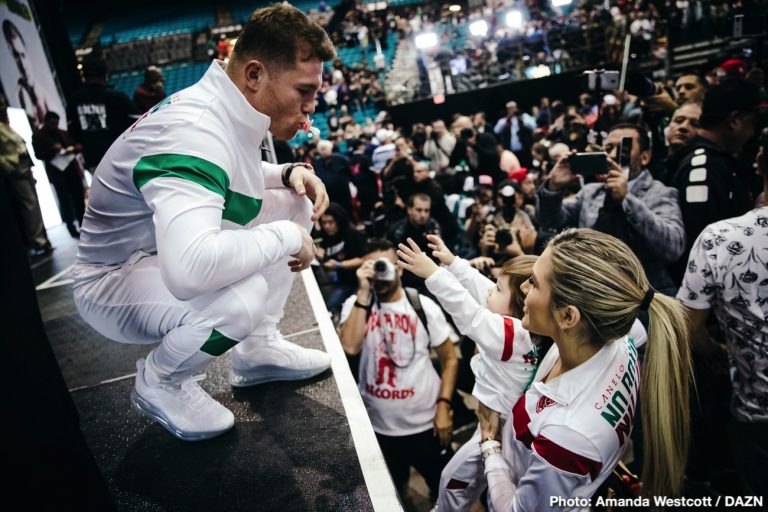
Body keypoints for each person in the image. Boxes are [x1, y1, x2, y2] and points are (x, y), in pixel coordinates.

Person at [70, 4, 336, 441]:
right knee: (239, 299)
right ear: (254, 75)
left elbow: (221, 174)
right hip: (111, 280)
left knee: (295, 199)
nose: (312, 105)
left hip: (153, 250)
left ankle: (257, 350)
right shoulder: (195, 129)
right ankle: (161, 381)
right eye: (304, 90)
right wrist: (288, 238)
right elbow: (191, 269)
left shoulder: (220, 109)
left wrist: (287, 172)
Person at [476, 228, 692, 508]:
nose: (523, 289)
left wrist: (490, 446)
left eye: (534, 283)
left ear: (568, 316)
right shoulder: (618, 334)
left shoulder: (567, 435)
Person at [396, 234, 540, 511]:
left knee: (460, 480)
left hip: (502, 431)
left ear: (520, 307)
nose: (489, 291)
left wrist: (435, 275)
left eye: (497, 289)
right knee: (455, 477)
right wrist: (454, 263)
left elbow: (470, 314)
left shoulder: (514, 334)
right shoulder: (521, 326)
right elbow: (487, 288)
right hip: (499, 419)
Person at [676, 142, 768, 499]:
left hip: (756, 416)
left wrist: (718, 353)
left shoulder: (719, 238)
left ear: (758, 161)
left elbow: (688, 326)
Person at [338, 239, 457, 502]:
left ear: (400, 269)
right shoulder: (356, 304)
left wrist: (444, 405)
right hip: (378, 427)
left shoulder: (422, 306)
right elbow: (349, 346)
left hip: (426, 424)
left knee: (444, 489)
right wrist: (364, 292)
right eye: (373, 266)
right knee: (392, 490)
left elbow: (449, 359)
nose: (380, 272)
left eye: (385, 266)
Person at [537, 124, 685, 295]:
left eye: (623, 148)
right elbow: (549, 221)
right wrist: (553, 187)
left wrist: (626, 200)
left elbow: (673, 247)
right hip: (594, 297)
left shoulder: (662, 193)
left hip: (644, 299)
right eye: (608, 148)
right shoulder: (590, 192)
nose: (613, 154)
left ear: (645, 157)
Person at [666, 78, 759, 282]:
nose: (752, 133)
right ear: (734, 121)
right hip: (707, 289)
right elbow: (701, 242)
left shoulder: (718, 161)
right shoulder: (704, 165)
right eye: (752, 124)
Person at [0, 93, 52, 255]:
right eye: (1, 105)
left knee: (34, 204)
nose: (3, 107)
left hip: (25, 167)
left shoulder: (7, 125)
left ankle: (42, 238)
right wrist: (10, 167)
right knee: (29, 206)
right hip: (15, 170)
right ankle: (38, 241)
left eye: (3, 104)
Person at [67, 56, 136, 173]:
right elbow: (138, 123)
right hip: (122, 157)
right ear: (106, 74)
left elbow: (73, 132)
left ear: (83, 76)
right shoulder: (117, 97)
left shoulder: (74, 100)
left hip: (94, 160)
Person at [32, 111, 87, 238]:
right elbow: (38, 154)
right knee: (65, 201)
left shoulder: (62, 132)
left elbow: (77, 145)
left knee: (78, 197)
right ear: (46, 122)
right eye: (52, 123)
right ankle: (71, 228)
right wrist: (53, 149)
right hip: (58, 173)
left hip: (71, 169)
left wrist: (72, 149)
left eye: (56, 123)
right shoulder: (39, 136)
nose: (55, 125)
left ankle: (83, 224)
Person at [313, 202, 365, 314]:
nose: (327, 226)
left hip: (357, 282)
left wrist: (338, 265)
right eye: (324, 223)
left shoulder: (352, 234)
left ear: (338, 221)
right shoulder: (325, 235)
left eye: (330, 222)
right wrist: (320, 255)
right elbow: (325, 253)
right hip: (340, 279)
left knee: (333, 305)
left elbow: (363, 259)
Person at [3, 19, 50, 129]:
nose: (22, 64)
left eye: (23, 55)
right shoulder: (21, 92)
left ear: (27, 52)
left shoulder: (40, 86)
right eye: (16, 56)